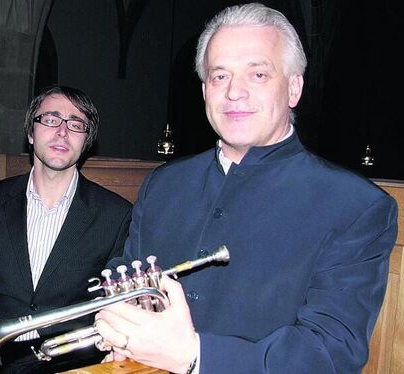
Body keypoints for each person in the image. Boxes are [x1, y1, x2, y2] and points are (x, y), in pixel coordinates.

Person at [94, 3, 398, 374]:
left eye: (257, 74)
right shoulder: (164, 183)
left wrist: (194, 356)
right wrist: (118, 324)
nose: (234, 92)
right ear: (205, 90)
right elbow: (129, 274)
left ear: (293, 88)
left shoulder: (356, 206)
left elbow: (331, 352)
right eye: (220, 76)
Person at [0, 85, 132, 373]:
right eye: (50, 119)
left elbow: (117, 302)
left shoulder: (116, 214)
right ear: (30, 133)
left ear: (86, 141)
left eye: (76, 124)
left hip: (67, 365)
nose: (62, 131)